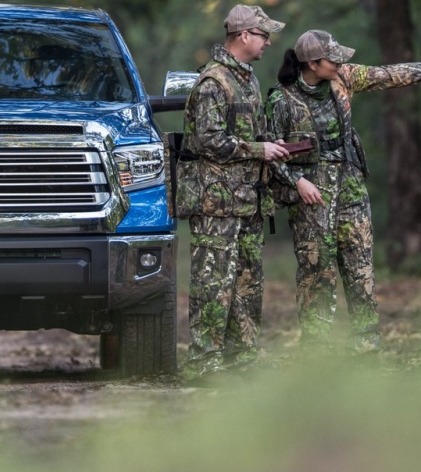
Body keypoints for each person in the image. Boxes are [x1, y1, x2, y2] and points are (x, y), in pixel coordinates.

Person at [265, 29, 421, 353]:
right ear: (312, 63)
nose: (340, 63)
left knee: (360, 269)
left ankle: (367, 349)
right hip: (311, 195)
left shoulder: (344, 79)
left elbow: (392, 74)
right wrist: (296, 181)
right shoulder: (281, 101)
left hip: (351, 187)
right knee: (316, 273)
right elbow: (267, 153)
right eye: (332, 58)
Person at [176, 4, 290, 382]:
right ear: (244, 35)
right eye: (263, 35)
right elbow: (207, 141)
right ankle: (204, 364)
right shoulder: (214, 82)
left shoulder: (249, 80)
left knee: (247, 282)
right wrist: (259, 150)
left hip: (248, 201)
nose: (268, 42)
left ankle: (241, 361)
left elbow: (248, 134)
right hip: (216, 204)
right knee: (213, 283)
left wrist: (272, 144)